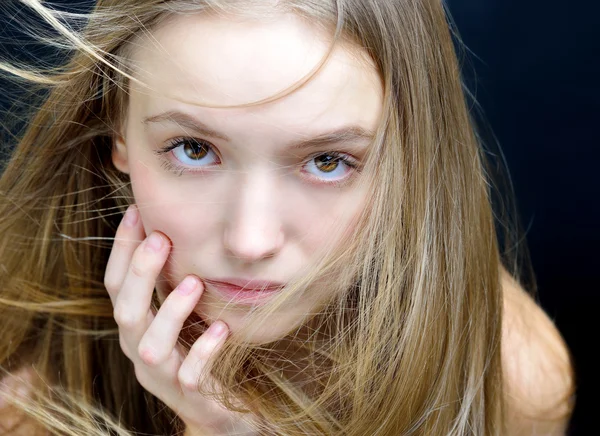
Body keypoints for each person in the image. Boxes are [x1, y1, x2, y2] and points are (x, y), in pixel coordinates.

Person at [0, 0, 575, 435]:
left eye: (328, 161)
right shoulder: (24, 399)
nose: (251, 241)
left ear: (413, 164)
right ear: (116, 135)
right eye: (194, 149)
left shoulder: (507, 382)